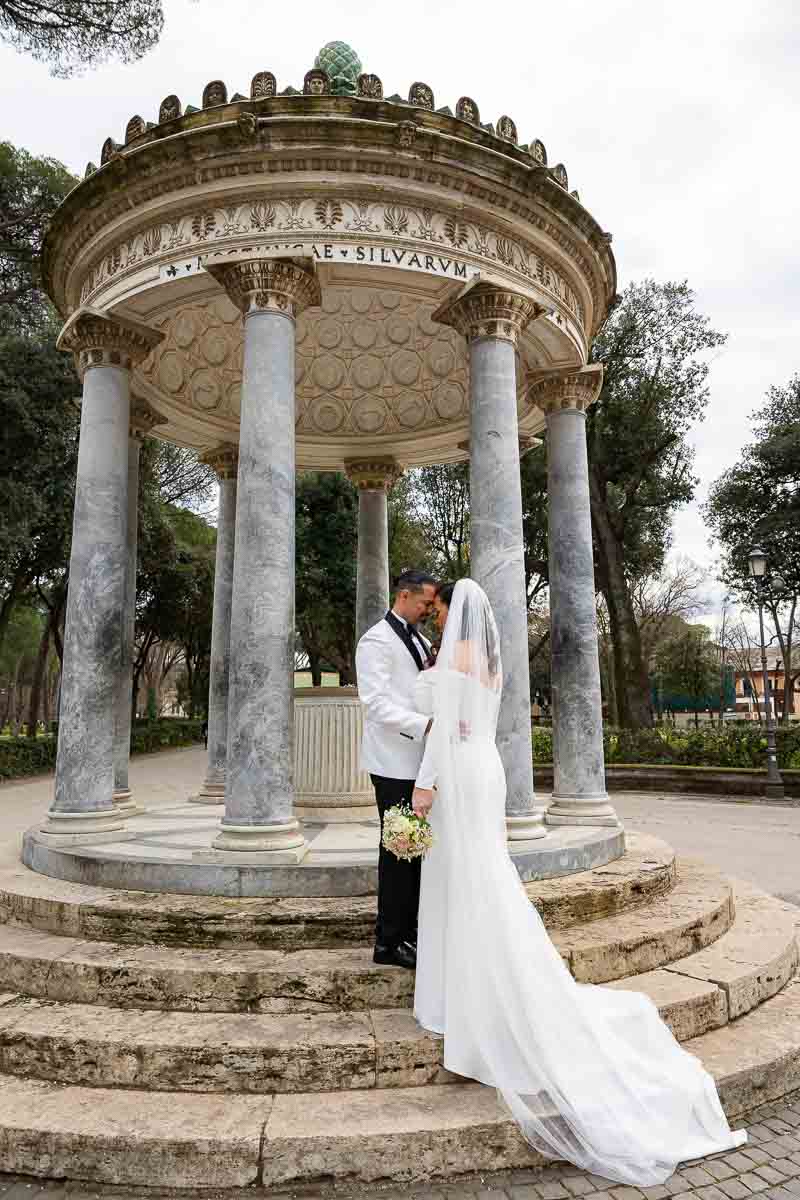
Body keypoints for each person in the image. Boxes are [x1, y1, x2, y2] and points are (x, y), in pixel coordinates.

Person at [409, 578, 745, 1186]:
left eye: (442, 610)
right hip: (487, 769)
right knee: (483, 877)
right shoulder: (489, 660)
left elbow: (442, 728)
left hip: (457, 771)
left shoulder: (454, 658)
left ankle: (462, 1000)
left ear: (455, 615)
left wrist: (424, 786)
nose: (439, 618)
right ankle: (473, 985)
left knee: (461, 883)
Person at [355, 569, 437, 969]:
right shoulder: (375, 641)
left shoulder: (419, 638)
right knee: (398, 853)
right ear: (404, 596)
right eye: (424, 602)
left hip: (420, 762)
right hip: (393, 762)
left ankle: (410, 931)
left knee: (415, 854)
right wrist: (424, 725)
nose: (427, 610)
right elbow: (374, 703)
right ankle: (388, 942)